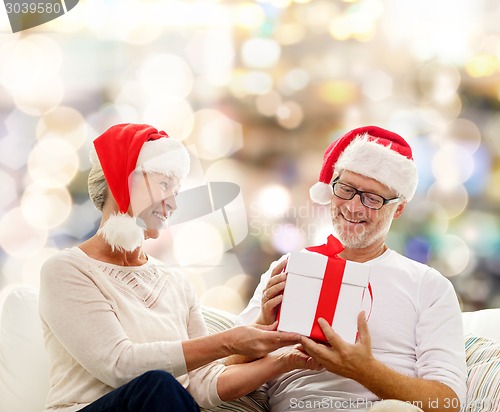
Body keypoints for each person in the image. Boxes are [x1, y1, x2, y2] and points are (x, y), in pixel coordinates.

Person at [39, 123, 320, 412]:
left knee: (165, 390)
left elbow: (202, 385)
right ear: (123, 181)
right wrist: (228, 342)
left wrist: (287, 359)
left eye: (177, 191)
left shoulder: (174, 281)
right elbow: (120, 366)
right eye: (164, 186)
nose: (173, 204)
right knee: (158, 386)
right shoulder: (67, 270)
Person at [236, 125, 467, 412]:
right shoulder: (287, 268)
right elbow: (222, 372)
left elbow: (448, 403)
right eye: (345, 189)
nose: (353, 207)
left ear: (398, 208)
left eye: (372, 198)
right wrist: (262, 323)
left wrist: (364, 370)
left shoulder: (428, 285)